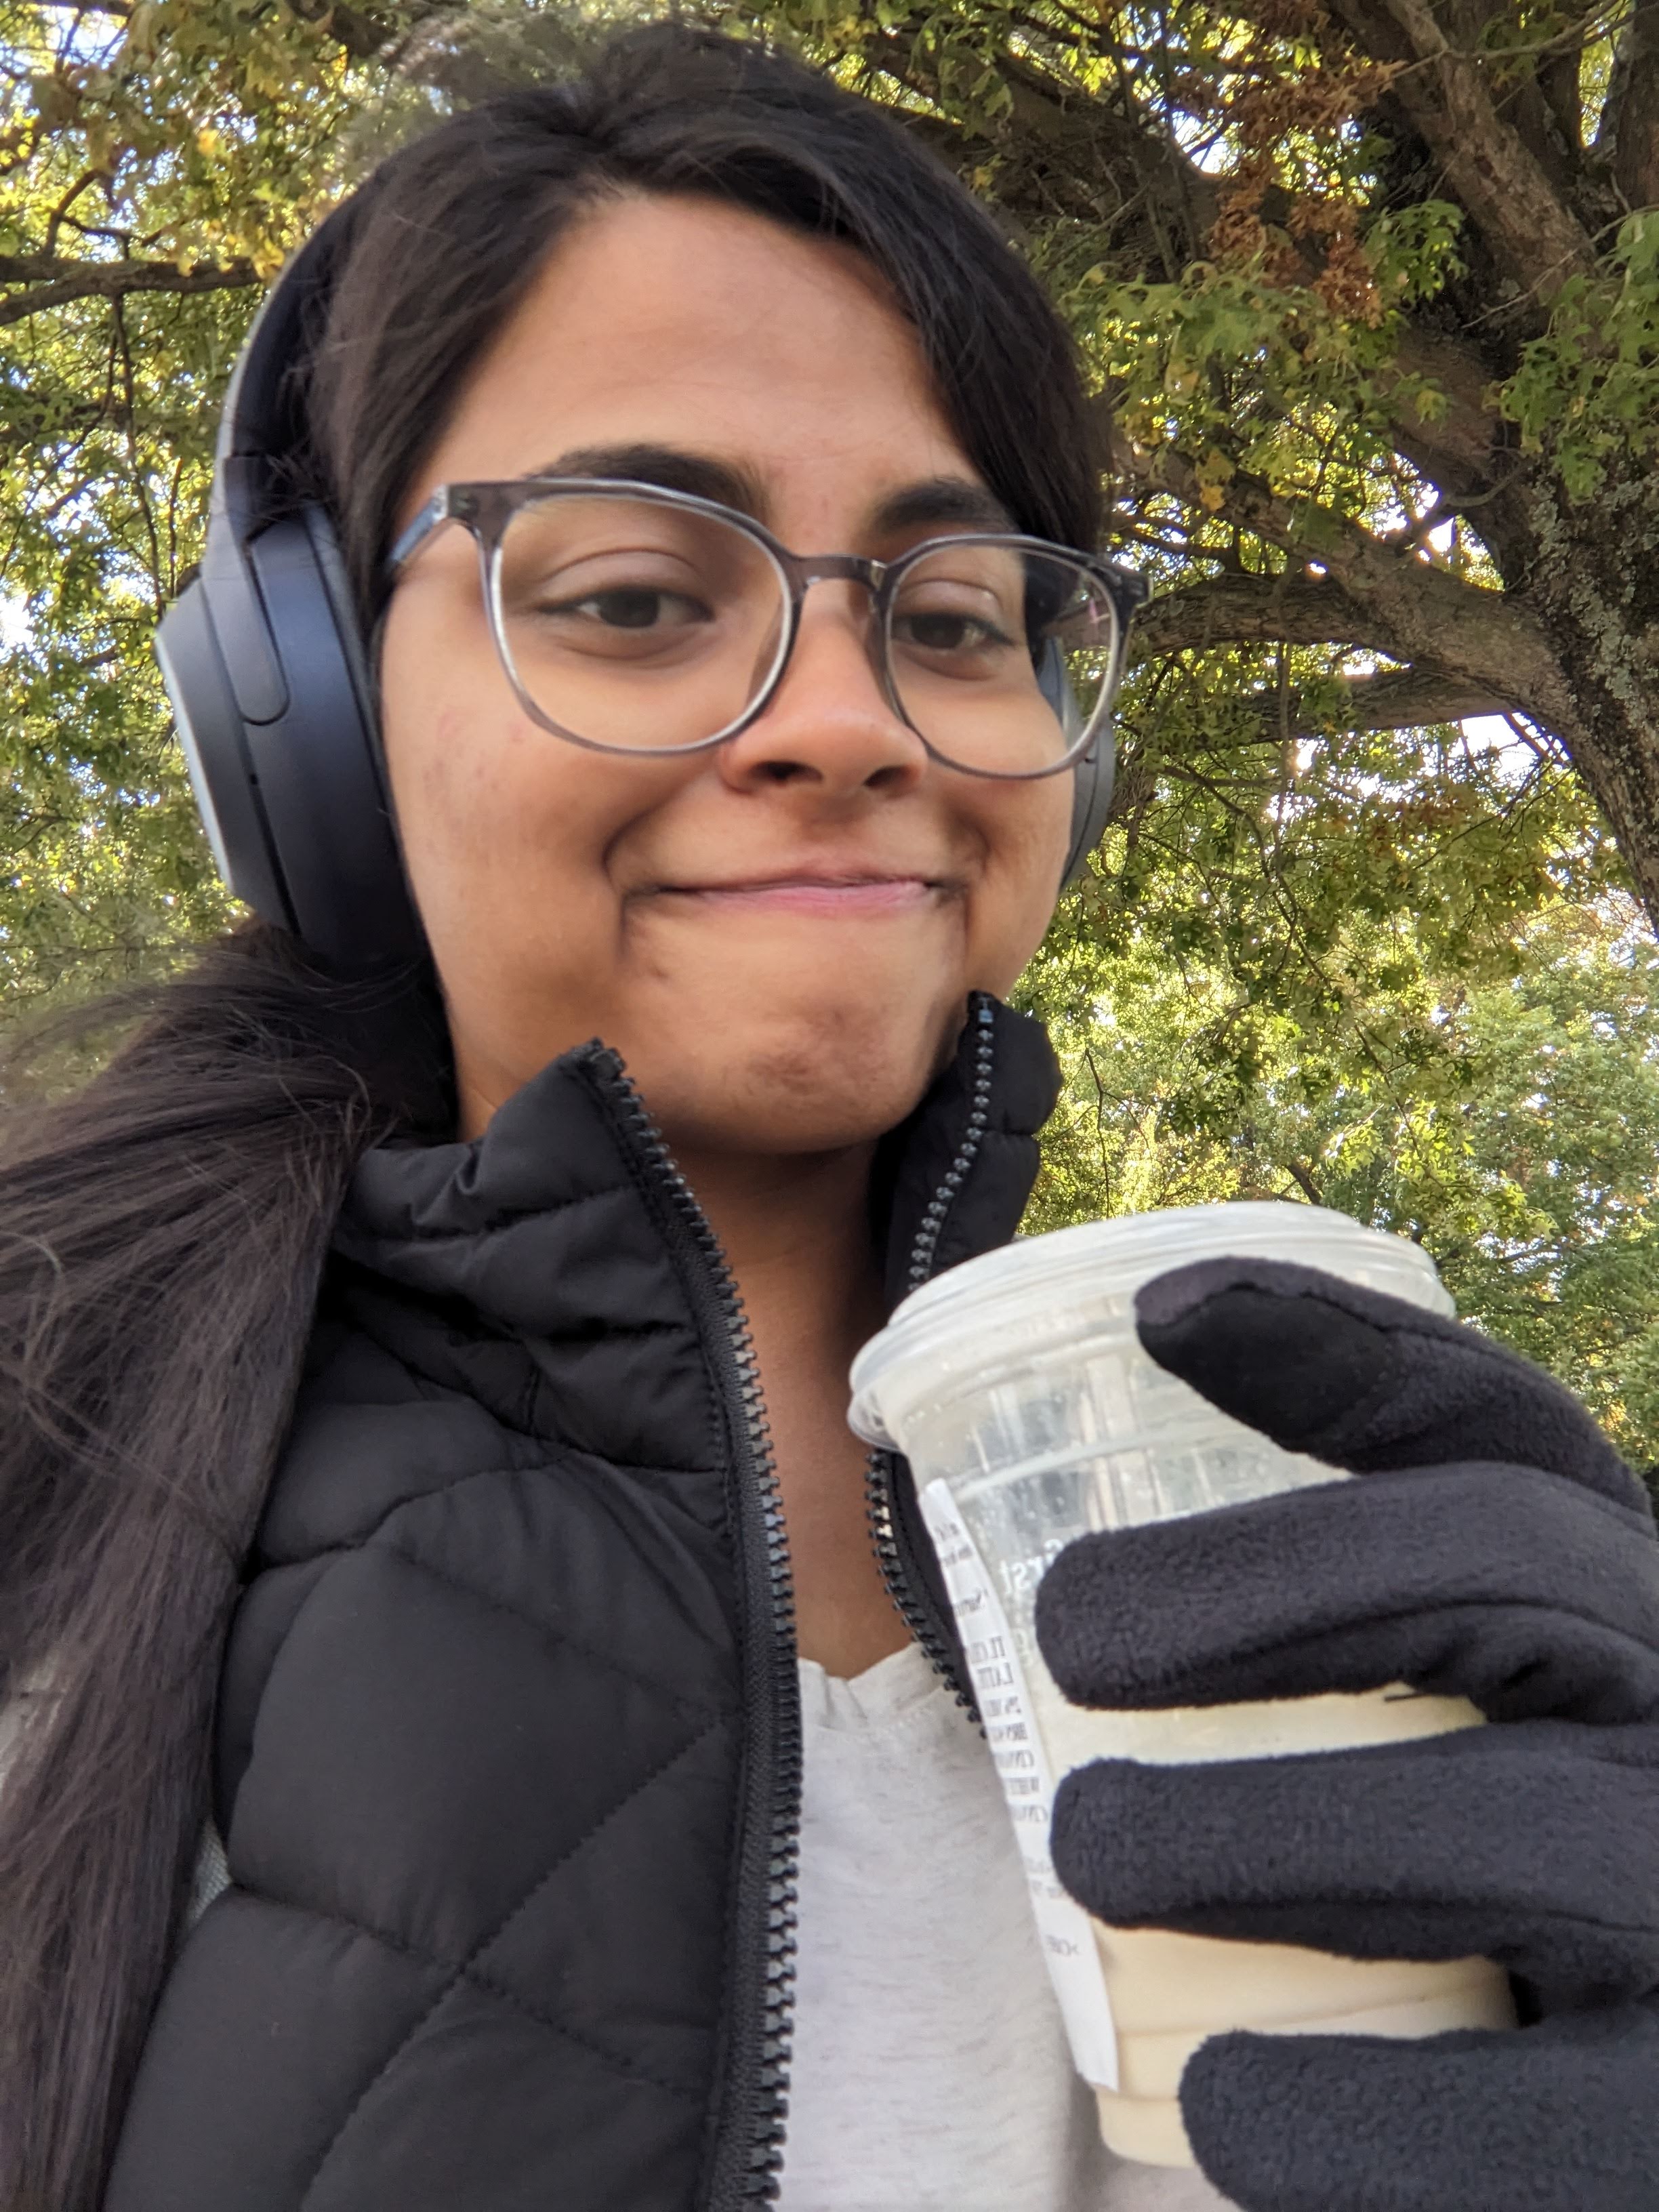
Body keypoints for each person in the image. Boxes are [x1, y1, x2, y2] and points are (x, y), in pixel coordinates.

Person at [1, 24, 1656, 2212]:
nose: (848, 719)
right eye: (634, 599)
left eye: (954, 615)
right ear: (301, 715)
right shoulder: (55, 1497)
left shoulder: (1331, 1542)